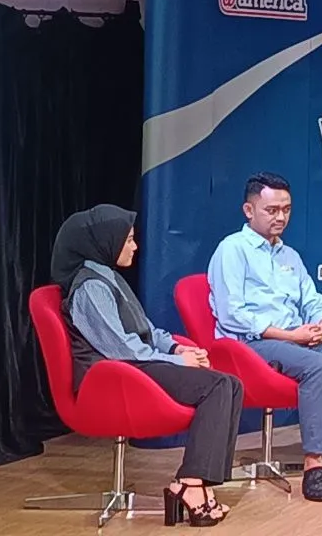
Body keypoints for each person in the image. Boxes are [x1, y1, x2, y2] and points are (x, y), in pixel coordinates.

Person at [207, 172, 322, 502]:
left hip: (300, 339)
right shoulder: (232, 250)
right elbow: (231, 313)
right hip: (254, 344)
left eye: (286, 209)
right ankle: (313, 465)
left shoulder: (289, 255)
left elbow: (312, 299)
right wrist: (290, 335)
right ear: (249, 211)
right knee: (317, 366)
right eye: (271, 210)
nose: (280, 217)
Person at [53, 204, 242, 526]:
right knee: (217, 386)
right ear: (107, 242)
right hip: (112, 377)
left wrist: (176, 347)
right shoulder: (91, 287)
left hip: (135, 367)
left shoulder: (109, 277)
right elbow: (120, 348)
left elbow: (146, 330)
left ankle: (198, 484)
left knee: (231, 384)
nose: (135, 246)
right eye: (128, 240)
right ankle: (191, 485)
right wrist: (177, 360)